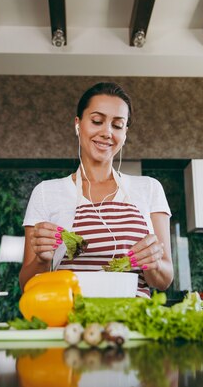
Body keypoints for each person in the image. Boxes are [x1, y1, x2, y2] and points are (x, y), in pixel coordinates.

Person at [19, 82, 173, 297]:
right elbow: (27, 284)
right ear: (78, 124)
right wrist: (42, 260)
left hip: (133, 324)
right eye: (97, 121)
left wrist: (153, 263)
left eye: (117, 125)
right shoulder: (46, 193)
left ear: (125, 133)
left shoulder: (149, 188)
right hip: (69, 321)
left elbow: (165, 280)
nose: (107, 132)